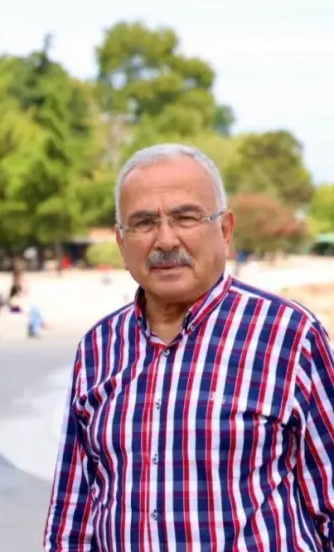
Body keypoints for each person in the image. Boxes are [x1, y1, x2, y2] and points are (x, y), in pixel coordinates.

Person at [43, 143, 334, 550]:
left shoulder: (289, 336)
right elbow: (73, 514)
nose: (165, 240)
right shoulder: (98, 349)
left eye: (186, 217)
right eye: (144, 223)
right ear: (122, 242)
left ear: (225, 230)